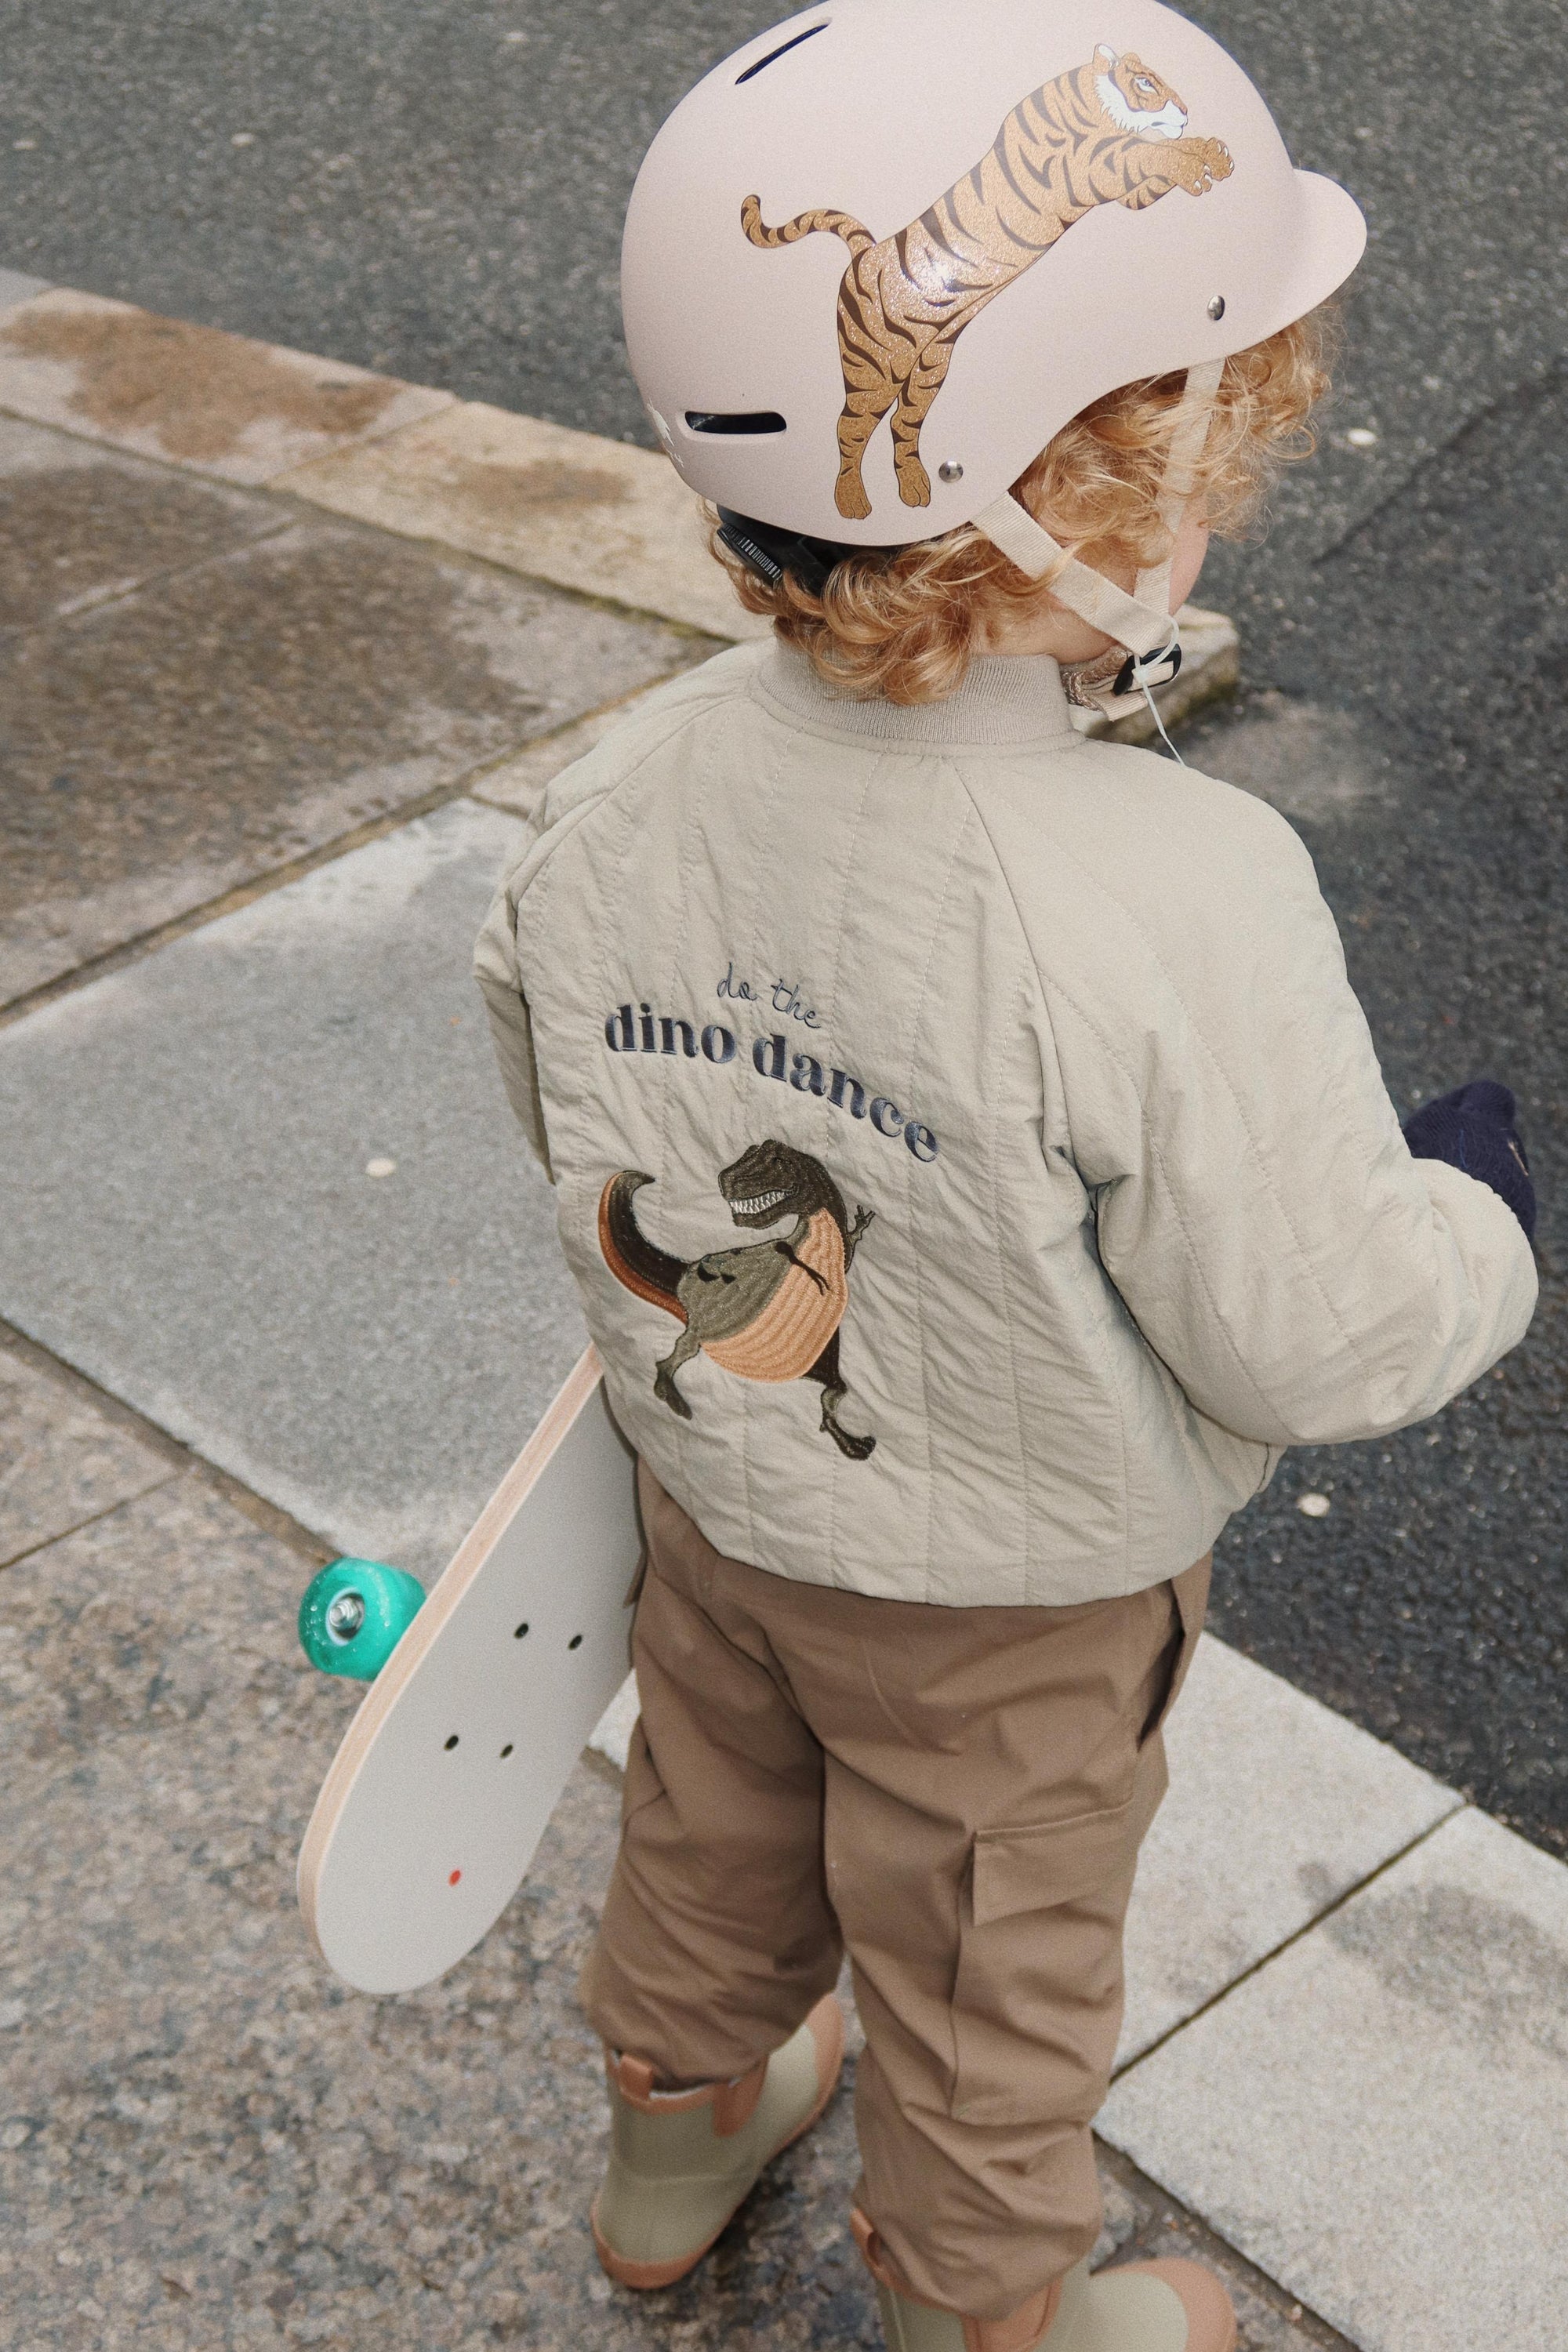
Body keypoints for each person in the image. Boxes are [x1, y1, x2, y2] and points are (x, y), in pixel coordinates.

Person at [475, 5, 1538, 2345]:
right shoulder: (1180, 886)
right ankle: (996, 2315)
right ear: (1136, 480)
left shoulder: (610, 802)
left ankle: (671, 2154)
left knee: (715, 1809)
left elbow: (571, 1110)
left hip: (727, 1500)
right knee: (980, 1957)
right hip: (1013, 1609)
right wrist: (1477, 1226)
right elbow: (1319, 1328)